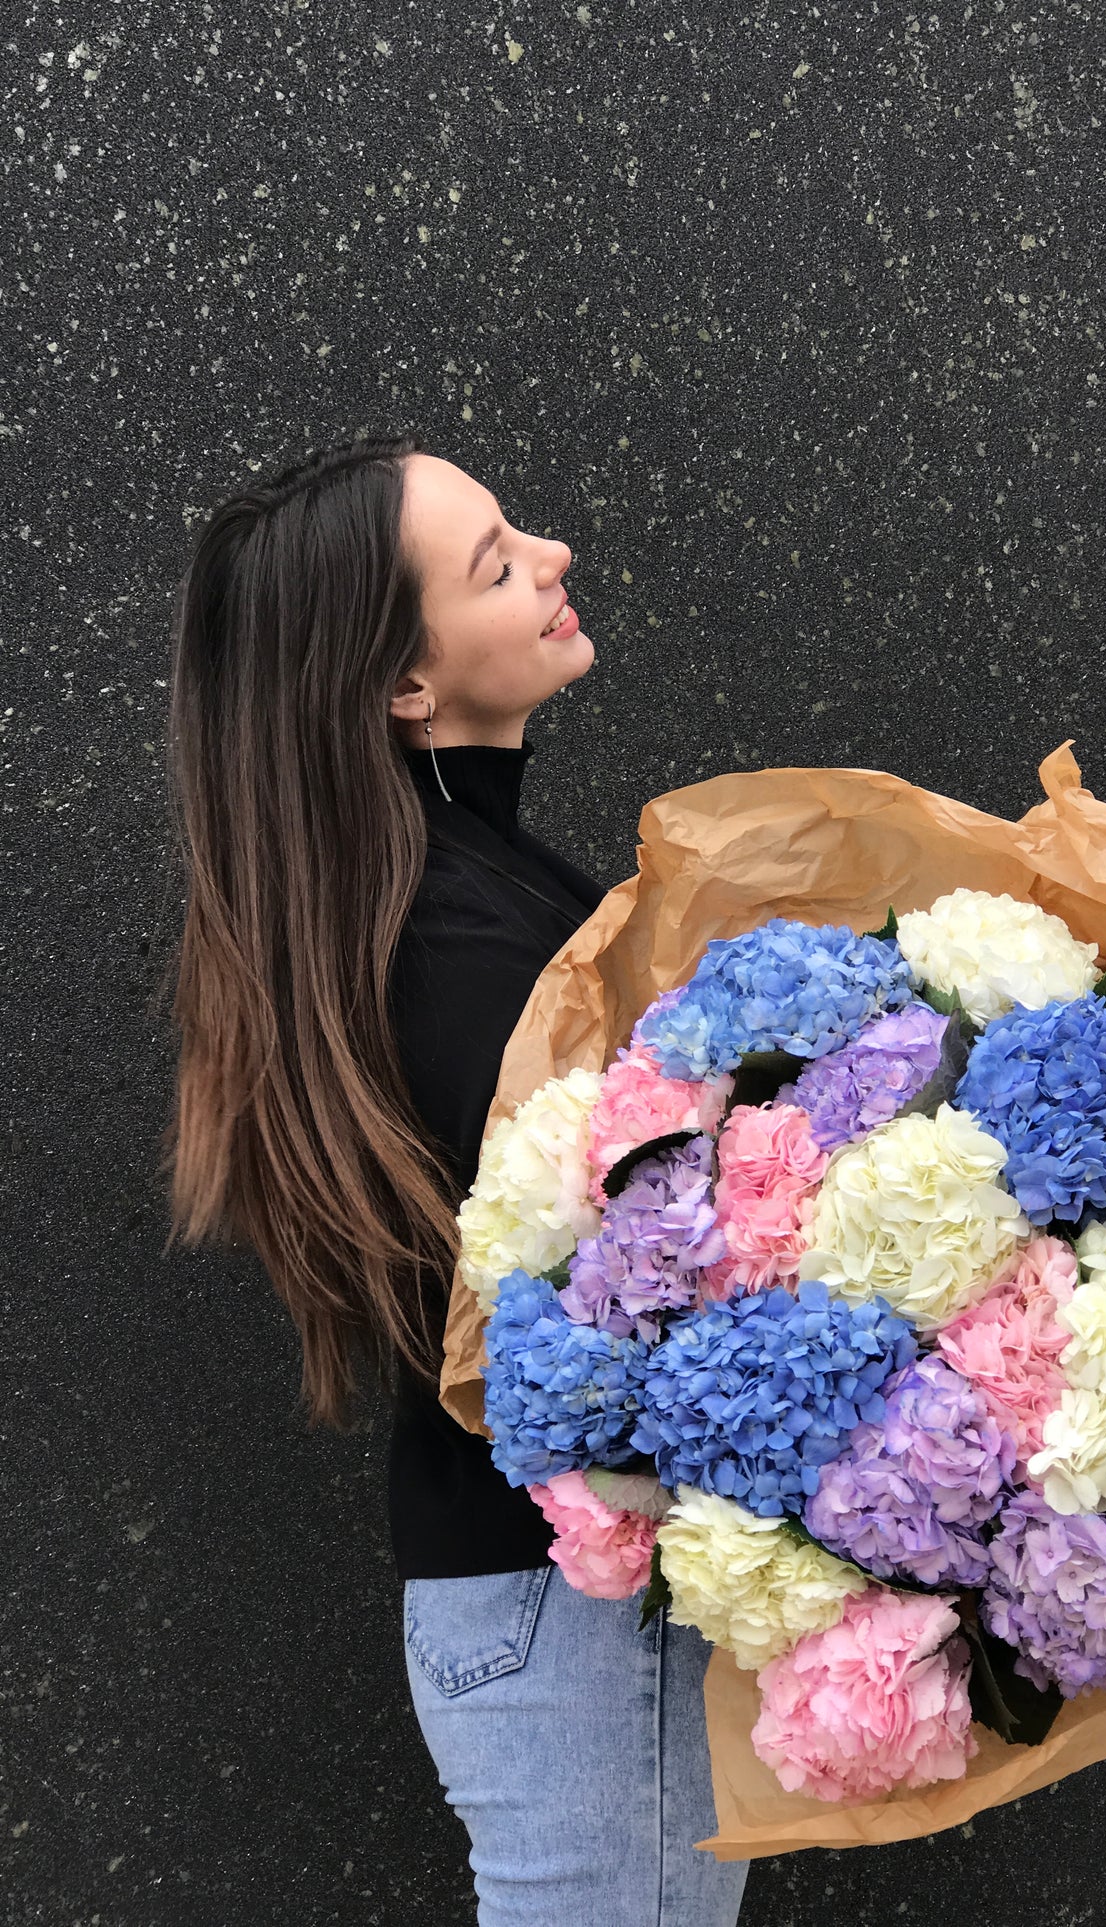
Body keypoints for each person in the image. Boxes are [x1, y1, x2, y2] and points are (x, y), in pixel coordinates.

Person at [160, 430, 751, 1926]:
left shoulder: (462, 893)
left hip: (547, 1607)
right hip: (570, 1605)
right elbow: (643, 1277)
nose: (551, 558)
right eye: (495, 564)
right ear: (404, 687)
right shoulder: (454, 949)